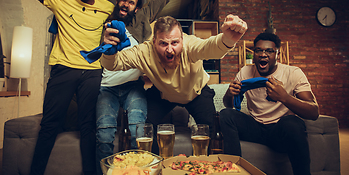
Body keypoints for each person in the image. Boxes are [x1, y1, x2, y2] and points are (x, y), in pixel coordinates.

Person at [0, 0, 114, 175]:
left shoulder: (107, 7)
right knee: (49, 124)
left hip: (91, 72)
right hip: (63, 70)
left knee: (87, 125)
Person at [95, 0, 190, 175]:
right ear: (118, 1)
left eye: (131, 2)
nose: (125, 4)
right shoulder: (107, 24)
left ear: (137, 8)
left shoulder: (143, 18)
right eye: (123, 0)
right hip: (107, 86)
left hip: (133, 86)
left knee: (141, 133)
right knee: (103, 135)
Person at [101, 14, 248, 154]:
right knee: (147, 130)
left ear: (182, 40)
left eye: (175, 43)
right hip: (163, 95)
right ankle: (155, 169)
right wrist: (108, 50)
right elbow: (114, 64)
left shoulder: (190, 45)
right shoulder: (144, 51)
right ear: (154, 42)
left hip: (196, 93)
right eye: (163, 43)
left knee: (213, 131)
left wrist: (227, 40)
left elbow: (209, 48)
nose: (169, 50)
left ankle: (209, 172)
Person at [219, 32, 319, 175]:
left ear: (277, 53)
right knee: (225, 115)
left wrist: (285, 97)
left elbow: (314, 112)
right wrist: (230, 94)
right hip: (255, 128)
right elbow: (228, 105)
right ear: (254, 54)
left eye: (269, 51)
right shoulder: (245, 72)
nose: (263, 55)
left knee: (293, 123)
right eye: (258, 50)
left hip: (279, 131)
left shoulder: (293, 73)